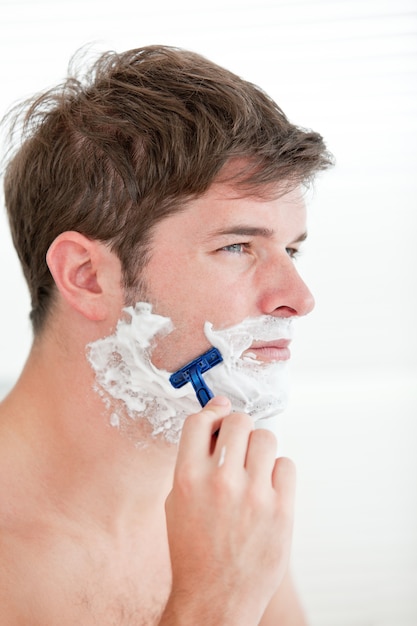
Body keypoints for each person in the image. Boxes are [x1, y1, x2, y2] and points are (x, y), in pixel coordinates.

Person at [0, 45, 332, 625]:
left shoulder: (223, 514)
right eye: (237, 246)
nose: (299, 300)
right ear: (88, 277)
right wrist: (213, 604)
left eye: (293, 249)